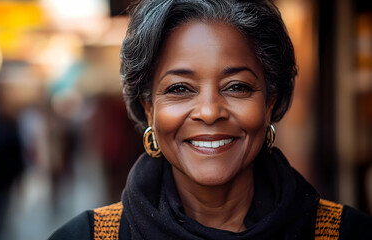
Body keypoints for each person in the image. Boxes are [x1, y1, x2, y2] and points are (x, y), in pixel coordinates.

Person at [49, 0, 372, 239]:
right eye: (179, 88)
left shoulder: (346, 233)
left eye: (237, 87)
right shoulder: (86, 236)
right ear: (148, 107)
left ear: (270, 102)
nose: (209, 111)